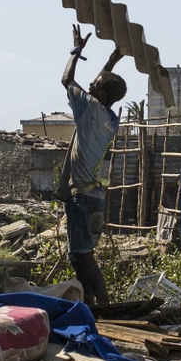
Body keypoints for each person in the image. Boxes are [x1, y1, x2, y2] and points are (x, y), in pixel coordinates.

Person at [59, 25, 128, 307]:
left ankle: (105, 307)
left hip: (83, 200)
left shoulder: (90, 108)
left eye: (95, 85)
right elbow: (102, 84)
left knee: (83, 256)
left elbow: (66, 79)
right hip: (94, 198)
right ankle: (90, 307)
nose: (90, 85)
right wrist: (112, 60)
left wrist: (76, 50)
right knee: (79, 255)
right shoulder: (109, 117)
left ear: (101, 94)